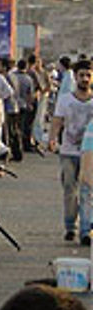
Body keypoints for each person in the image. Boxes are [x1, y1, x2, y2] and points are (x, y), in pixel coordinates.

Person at [49, 59, 93, 244]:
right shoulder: (65, 99)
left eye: (88, 75)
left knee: (87, 191)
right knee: (69, 190)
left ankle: (85, 230)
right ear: (75, 77)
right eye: (81, 75)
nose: (85, 78)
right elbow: (57, 120)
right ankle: (70, 227)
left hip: (89, 154)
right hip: (68, 151)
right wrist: (52, 138)